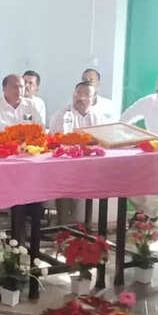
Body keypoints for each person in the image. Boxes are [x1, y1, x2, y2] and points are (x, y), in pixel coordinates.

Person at [121, 68, 158, 226]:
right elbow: (125, 119)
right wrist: (132, 139)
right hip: (147, 151)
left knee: (151, 171)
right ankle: (144, 212)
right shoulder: (148, 101)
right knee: (123, 173)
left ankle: (150, 214)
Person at [49, 82, 100, 224]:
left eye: (86, 95)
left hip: (89, 166)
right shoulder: (62, 115)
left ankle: (85, 226)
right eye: (78, 94)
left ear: (93, 99)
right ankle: (64, 226)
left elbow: (100, 141)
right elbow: (60, 142)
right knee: (65, 183)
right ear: (73, 95)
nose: (81, 98)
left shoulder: (97, 117)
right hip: (64, 166)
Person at [0, 74, 44, 138]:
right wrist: (6, 137)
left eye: (21, 87)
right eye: (15, 87)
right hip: (3, 143)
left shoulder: (31, 105)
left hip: (29, 143)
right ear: (4, 89)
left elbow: (41, 127)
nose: (19, 91)